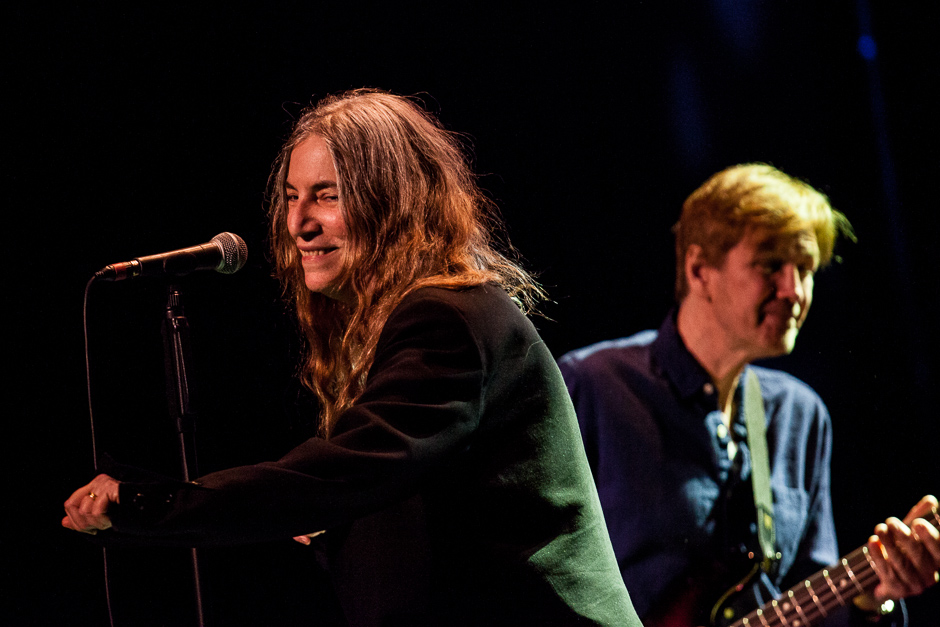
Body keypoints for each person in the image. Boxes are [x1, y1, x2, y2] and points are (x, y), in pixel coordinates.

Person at [62, 89, 642, 627]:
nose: (298, 223)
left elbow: (342, 473)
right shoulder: (402, 319)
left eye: (327, 196)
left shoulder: (446, 318)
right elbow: (410, 497)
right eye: (292, 197)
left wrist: (148, 503)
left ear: (393, 203)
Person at [558, 164, 940, 626]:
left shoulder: (800, 414)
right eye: (771, 265)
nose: (794, 291)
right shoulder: (593, 385)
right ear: (699, 269)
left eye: (806, 269)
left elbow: (809, 601)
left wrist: (873, 598)